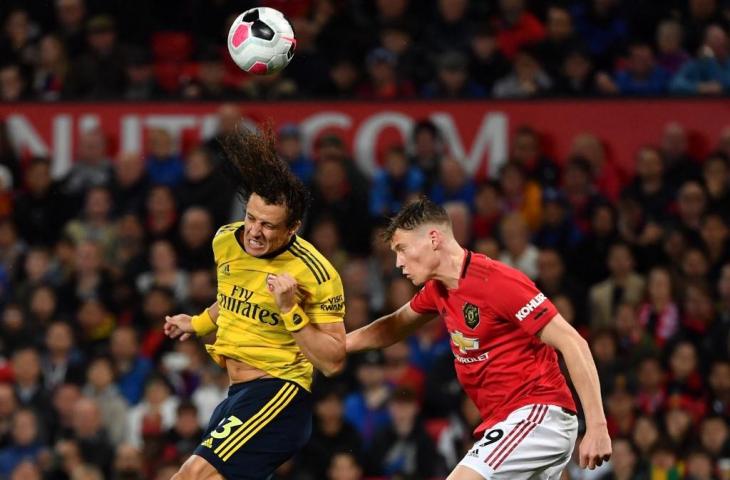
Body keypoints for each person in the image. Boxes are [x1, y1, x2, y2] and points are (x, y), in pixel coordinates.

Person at [346, 198, 611, 479]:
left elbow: (574, 342)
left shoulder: (497, 282)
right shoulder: (439, 289)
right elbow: (393, 326)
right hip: (508, 421)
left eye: (403, 249)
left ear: (433, 238)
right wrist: (341, 345)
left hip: (537, 414)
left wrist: (597, 427)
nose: (398, 262)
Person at [163, 126, 346, 480]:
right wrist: (199, 323)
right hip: (237, 394)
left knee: (191, 476)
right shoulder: (225, 241)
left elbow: (334, 360)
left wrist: (290, 310)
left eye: (267, 225)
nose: (254, 231)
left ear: (292, 228)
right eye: (251, 217)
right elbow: (232, 298)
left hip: (279, 394)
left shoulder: (317, 274)